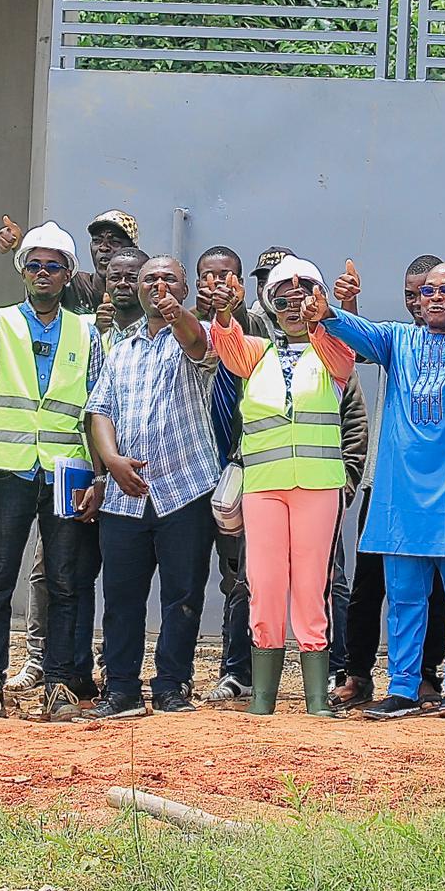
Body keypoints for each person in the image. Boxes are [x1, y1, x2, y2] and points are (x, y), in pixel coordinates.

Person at [317, 257, 445, 720]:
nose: (436, 297)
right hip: (403, 496)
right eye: (428, 291)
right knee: (403, 597)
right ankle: (401, 687)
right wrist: (326, 308)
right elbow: (353, 331)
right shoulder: (399, 340)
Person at [0, 222, 105, 722]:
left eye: (53, 266)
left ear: (67, 274)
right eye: (34, 265)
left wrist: (98, 478)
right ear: (23, 272)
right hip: (10, 469)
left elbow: (98, 407)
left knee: (64, 580)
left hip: (66, 472)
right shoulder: (0, 321)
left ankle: (58, 685)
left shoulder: (87, 331)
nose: (43, 274)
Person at [206, 260, 364, 716]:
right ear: (269, 305)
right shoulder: (255, 352)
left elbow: (342, 352)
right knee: (265, 584)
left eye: (304, 296)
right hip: (264, 486)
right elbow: (226, 343)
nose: (294, 306)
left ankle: (317, 699)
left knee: (313, 587)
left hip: (318, 487)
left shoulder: (332, 352)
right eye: (283, 298)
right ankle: (263, 699)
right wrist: (224, 312)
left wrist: (329, 314)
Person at [83, 254, 220, 719]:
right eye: (149, 279)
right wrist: (111, 460)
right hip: (126, 494)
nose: (158, 285)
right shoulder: (119, 348)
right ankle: (120, 689)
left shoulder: (197, 335)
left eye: (169, 279)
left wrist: (177, 315)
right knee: (121, 598)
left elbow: (197, 344)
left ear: (184, 288)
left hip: (185, 487)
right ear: (135, 289)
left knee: (183, 595)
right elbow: (99, 408)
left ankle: (171, 686)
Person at [335, 254, 443, 708]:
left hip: (437, 490)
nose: (420, 302)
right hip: (383, 484)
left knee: (433, 589)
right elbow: (358, 341)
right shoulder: (395, 341)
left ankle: (425, 674)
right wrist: (350, 304)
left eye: (429, 291)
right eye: (411, 294)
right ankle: (358, 673)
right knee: (368, 585)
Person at [195, 244, 264, 705]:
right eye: (209, 275)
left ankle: (237, 671)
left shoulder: (252, 334)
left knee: (240, 575)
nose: (217, 283)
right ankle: (176, 674)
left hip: (240, 473)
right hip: (192, 471)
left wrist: (230, 316)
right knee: (193, 574)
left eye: (227, 276)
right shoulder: (178, 330)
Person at [0, 208, 138, 310]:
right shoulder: (75, 283)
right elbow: (44, 268)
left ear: (133, 250)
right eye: (97, 240)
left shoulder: (141, 292)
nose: (103, 248)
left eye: (114, 242)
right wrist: (17, 244)